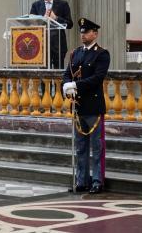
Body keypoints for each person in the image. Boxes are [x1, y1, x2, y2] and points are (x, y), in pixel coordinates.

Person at [63, 18, 110, 194]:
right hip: (78, 106)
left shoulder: (102, 54)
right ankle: (81, 181)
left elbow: (98, 78)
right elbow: (67, 73)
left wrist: (76, 85)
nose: (83, 35)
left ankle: (97, 181)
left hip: (93, 106)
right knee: (80, 147)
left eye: (86, 32)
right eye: (81, 32)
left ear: (95, 34)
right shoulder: (76, 53)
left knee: (97, 147)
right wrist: (66, 85)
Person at [30, 0, 73, 68]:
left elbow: (69, 24)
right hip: (42, 45)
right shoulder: (36, 5)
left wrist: (56, 18)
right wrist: (42, 19)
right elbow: (31, 25)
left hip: (59, 45)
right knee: (43, 75)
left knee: (58, 74)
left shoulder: (63, 4)